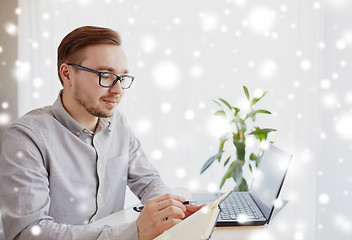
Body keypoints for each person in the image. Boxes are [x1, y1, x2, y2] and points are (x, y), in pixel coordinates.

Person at [0, 26, 202, 240]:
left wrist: (171, 210)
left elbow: (149, 181)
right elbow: (27, 234)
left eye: (122, 77)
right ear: (67, 74)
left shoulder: (118, 124)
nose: (118, 90)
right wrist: (135, 231)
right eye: (105, 76)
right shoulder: (26, 137)